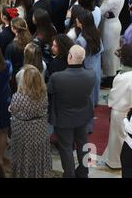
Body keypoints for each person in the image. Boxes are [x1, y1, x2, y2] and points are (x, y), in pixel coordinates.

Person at [48, 45, 95, 178]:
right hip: (83, 116)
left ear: (69, 57)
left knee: (66, 148)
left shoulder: (57, 77)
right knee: (83, 145)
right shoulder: (91, 74)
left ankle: (69, 174)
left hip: (64, 119)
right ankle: (84, 172)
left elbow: (50, 92)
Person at [102, 45, 132, 169]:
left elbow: (114, 95)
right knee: (123, 136)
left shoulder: (122, 77)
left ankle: (115, 162)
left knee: (117, 137)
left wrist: (110, 102)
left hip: (120, 109)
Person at [10, 65, 52, 178]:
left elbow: (13, 110)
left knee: (23, 155)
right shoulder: (44, 94)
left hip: (23, 133)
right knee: (38, 153)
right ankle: (39, 173)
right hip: (39, 130)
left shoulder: (18, 96)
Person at [75, 9, 103, 113]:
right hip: (96, 68)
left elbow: (77, 59)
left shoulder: (81, 40)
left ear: (81, 22)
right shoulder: (96, 33)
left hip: (86, 70)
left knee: (86, 100)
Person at [100, 0, 125, 79]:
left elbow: (101, 11)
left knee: (108, 51)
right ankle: (113, 71)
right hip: (115, 23)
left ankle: (109, 75)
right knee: (113, 49)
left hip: (109, 26)